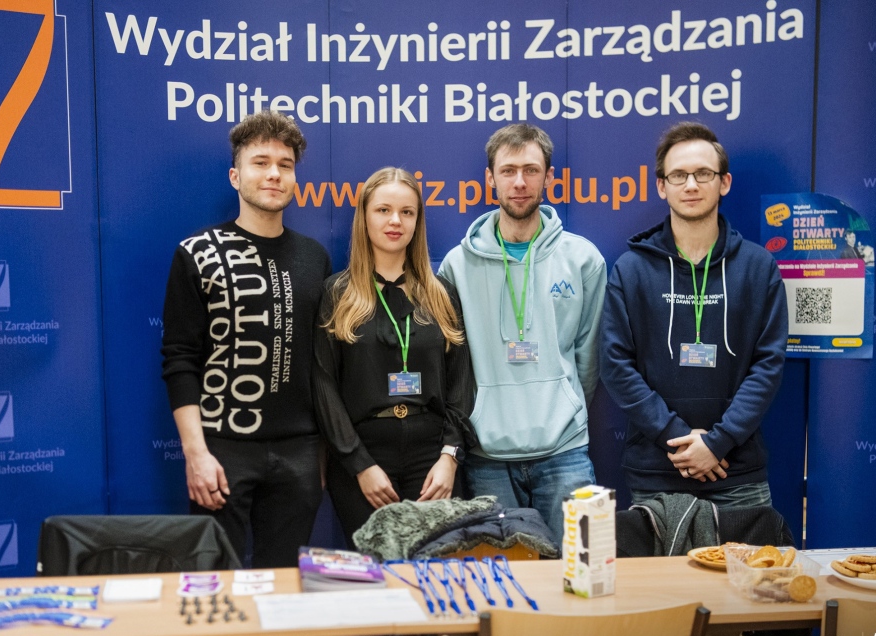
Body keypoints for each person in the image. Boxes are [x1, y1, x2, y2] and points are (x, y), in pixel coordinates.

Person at [161, 110, 331, 571]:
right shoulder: (197, 253)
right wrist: (196, 454)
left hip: (299, 453)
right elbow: (179, 359)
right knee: (218, 588)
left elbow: (322, 365)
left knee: (285, 591)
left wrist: (320, 455)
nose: (274, 173)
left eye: (285, 164)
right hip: (221, 450)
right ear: (236, 176)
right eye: (261, 162)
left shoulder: (315, 258)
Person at [600, 121, 788, 507]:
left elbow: (768, 365)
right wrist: (679, 439)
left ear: (724, 182)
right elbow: (615, 366)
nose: (691, 185)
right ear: (661, 185)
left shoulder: (758, 267)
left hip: (737, 473)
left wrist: (718, 442)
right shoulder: (631, 270)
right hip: (658, 471)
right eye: (679, 175)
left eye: (703, 173)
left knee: (750, 554)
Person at [438, 124, 607, 549]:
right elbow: (452, 366)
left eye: (531, 170)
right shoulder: (456, 266)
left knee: (578, 571)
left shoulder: (583, 259)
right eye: (508, 170)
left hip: (565, 452)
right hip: (487, 456)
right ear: (489, 178)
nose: (519, 182)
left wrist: (564, 407)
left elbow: (589, 357)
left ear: (549, 177)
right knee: (505, 580)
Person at [313, 167, 474, 547]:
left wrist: (450, 457)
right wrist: (359, 465)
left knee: (433, 567)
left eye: (407, 212)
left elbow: (461, 382)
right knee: (376, 571)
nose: (395, 221)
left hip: (432, 458)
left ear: (418, 221)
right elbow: (323, 386)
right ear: (364, 217)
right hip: (363, 459)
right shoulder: (337, 294)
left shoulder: (441, 294)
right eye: (383, 210)